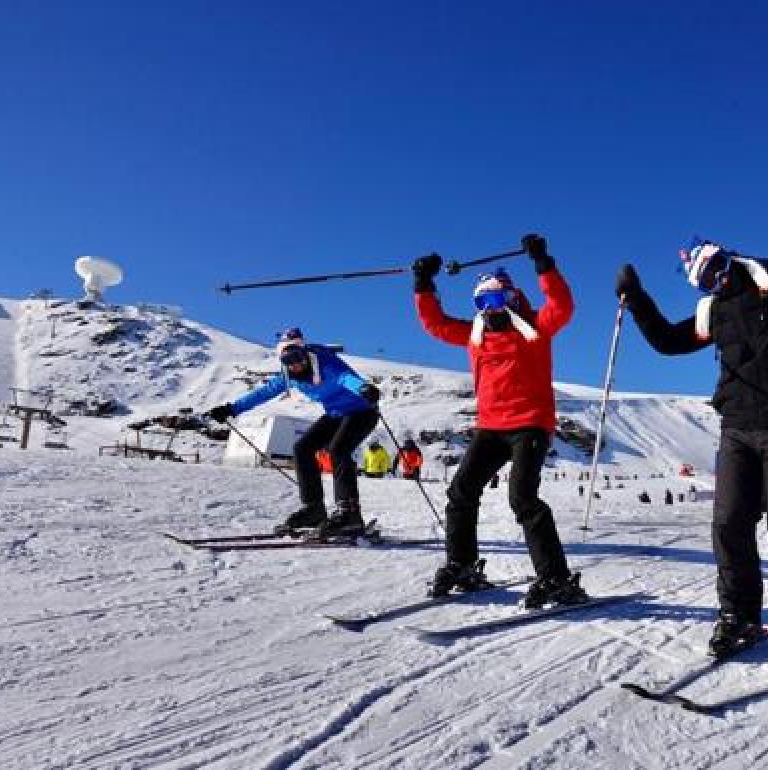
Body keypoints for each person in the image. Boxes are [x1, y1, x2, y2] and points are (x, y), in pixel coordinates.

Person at [613, 175, 768, 670]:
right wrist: (637, 298)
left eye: (718, 269)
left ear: (730, 257)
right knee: (728, 524)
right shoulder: (716, 312)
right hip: (737, 427)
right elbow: (667, 341)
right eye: (705, 279)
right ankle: (741, 616)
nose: (718, 281)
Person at [411, 234, 588, 607]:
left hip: (530, 424)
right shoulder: (475, 337)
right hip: (491, 427)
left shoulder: (534, 329)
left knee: (522, 497)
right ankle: (462, 564)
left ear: (511, 299)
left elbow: (562, 306)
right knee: (461, 492)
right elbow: (436, 324)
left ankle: (556, 579)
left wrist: (544, 263)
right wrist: (424, 284)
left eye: (497, 300)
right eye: (482, 302)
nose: (490, 309)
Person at [207, 327, 380, 536]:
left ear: (305, 353)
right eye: (288, 361)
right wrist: (232, 409)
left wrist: (363, 388)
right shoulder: (289, 376)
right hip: (336, 414)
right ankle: (314, 509)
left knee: (338, 450)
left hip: (362, 410)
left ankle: (349, 515)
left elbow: (345, 378)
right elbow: (264, 393)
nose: (295, 364)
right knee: (302, 448)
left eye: (298, 358)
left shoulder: (324, 362)